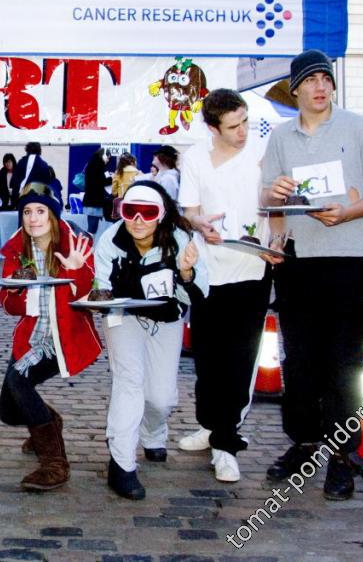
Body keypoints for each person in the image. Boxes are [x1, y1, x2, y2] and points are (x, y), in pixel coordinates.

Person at [260, 49, 363, 500]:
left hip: (351, 261)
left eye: (326, 78)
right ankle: (303, 442)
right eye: (311, 79)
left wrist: (349, 211)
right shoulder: (281, 137)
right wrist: (276, 229)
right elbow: (271, 201)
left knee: (344, 365)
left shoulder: (361, 128)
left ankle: (341, 456)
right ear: (295, 88)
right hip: (300, 264)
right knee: (298, 360)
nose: (320, 86)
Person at [176, 88, 282, 483]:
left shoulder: (262, 152)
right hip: (208, 271)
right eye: (234, 126)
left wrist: (276, 241)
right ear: (212, 127)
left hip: (252, 269)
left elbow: (277, 207)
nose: (242, 131)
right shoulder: (195, 158)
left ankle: (226, 441)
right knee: (207, 356)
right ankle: (209, 425)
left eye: (245, 123)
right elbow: (189, 210)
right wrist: (198, 224)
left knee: (240, 358)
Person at [94, 181, 207, 500]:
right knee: (129, 383)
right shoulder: (110, 240)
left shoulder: (180, 239)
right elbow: (100, 287)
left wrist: (186, 274)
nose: (139, 220)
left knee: (161, 396)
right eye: (131, 211)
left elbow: (200, 294)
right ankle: (122, 463)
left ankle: (154, 433)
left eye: (148, 212)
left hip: (166, 319)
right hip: (123, 316)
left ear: (161, 214)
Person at [0, 182, 100, 491]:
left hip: (62, 338)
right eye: (27, 212)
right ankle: (49, 423)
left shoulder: (75, 247)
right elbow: (9, 305)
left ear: (52, 216)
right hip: (30, 338)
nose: (33, 218)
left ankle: (55, 463)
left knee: (18, 383)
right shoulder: (17, 251)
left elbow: (88, 298)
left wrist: (78, 272)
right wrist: (15, 289)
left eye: (40, 211)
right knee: (8, 410)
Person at [109, 153, 140, 220]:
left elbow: (114, 191)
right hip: (135, 202)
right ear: (132, 162)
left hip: (122, 203)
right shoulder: (138, 173)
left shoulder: (118, 173)